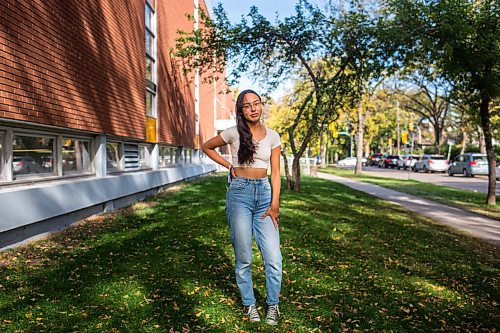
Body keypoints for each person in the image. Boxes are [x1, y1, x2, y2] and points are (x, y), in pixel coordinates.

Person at [201, 89, 283, 325]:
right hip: (240, 195)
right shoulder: (234, 133)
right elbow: (206, 146)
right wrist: (229, 165)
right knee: (244, 256)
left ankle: (273, 305)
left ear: (261, 106)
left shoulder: (273, 136)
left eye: (256, 103)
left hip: (265, 195)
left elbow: (276, 173)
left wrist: (274, 205)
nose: (253, 108)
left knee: (274, 258)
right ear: (241, 110)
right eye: (247, 105)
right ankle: (250, 305)